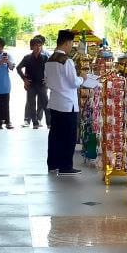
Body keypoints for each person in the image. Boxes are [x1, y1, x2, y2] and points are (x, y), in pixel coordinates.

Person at [45, 29, 82, 175]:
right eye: (71, 43)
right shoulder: (66, 61)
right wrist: (83, 78)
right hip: (67, 104)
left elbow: (46, 81)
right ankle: (66, 166)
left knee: (55, 135)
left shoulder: (49, 60)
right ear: (67, 42)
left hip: (54, 102)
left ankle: (53, 164)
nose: (71, 46)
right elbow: (74, 82)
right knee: (68, 136)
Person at [17, 35, 49, 129]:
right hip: (31, 84)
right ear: (32, 47)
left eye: (40, 45)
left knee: (45, 104)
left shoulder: (45, 57)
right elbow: (18, 68)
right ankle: (34, 123)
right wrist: (24, 79)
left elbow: (51, 69)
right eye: (36, 45)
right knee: (31, 104)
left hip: (42, 84)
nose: (38, 47)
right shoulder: (27, 58)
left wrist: (47, 78)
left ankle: (49, 123)